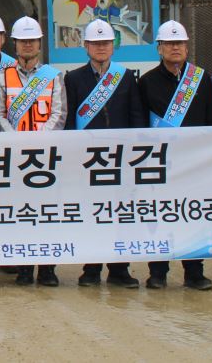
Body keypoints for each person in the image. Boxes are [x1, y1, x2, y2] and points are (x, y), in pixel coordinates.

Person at [137, 19, 212, 290]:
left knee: (192, 216)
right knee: (159, 217)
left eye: (180, 43)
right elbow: (139, 126)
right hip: (160, 162)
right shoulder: (147, 82)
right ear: (159, 48)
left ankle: (194, 272)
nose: (176, 48)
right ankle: (158, 272)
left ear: (187, 47)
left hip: (194, 163)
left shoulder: (202, 79)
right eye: (170, 44)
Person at [0, 15, 67, 287]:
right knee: (19, 212)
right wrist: (17, 140)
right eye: (23, 41)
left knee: (46, 213)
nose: (28, 46)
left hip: (45, 155)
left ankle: (47, 269)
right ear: (16, 45)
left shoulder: (54, 77)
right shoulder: (3, 78)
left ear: (40, 44)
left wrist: (39, 140)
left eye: (32, 41)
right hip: (15, 156)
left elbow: (59, 113)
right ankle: (23, 267)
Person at [64, 19, 145, 289]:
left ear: (113, 46)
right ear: (85, 46)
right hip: (88, 159)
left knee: (119, 214)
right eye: (95, 43)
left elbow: (136, 116)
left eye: (106, 43)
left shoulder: (126, 76)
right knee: (92, 213)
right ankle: (91, 268)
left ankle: (119, 268)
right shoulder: (73, 78)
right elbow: (69, 121)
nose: (101, 48)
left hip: (121, 158)